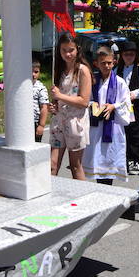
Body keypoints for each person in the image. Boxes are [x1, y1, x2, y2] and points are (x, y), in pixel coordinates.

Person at [83, 47, 133, 185]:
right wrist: (94, 105)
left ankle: (108, 188)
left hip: (113, 127)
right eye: (103, 63)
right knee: (97, 160)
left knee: (109, 160)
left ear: (114, 62)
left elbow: (127, 104)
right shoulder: (93, 81)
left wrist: (113, 106)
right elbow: (86, 99)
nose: (106, 66)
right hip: (96, 127)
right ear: (96, 64)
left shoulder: (119, 82)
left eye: (109, 63)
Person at [49, 33, 93, 180]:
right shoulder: (59, 70)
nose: (67, 54)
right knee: (52, 165)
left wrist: (60, 96)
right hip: (59, 122)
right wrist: (54, 106)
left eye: (71, 50)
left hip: (75, 123)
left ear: (77, 50)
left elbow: (84, 101)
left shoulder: (82, 70)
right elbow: (57, 99)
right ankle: (48, 198)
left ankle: (83, 200)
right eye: (64, 50)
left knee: (75, 166)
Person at [116, 40, 139, 174]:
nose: (129, 57)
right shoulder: (117, 69)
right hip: (121, 107)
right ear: (122, 56)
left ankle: (136, 160)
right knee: (122, 133)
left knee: (135, 134)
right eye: (126, 54)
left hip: (136, 107)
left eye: (131, 54)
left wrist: (135, 94)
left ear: (135, 55)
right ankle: (125, 158)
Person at [32, 60, 49, 143]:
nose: (33, 74)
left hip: (35, 122)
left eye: (36, 72)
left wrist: (41, 125)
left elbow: (44, 108)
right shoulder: (21, 87)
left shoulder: (41, 88)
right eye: (30, 71)